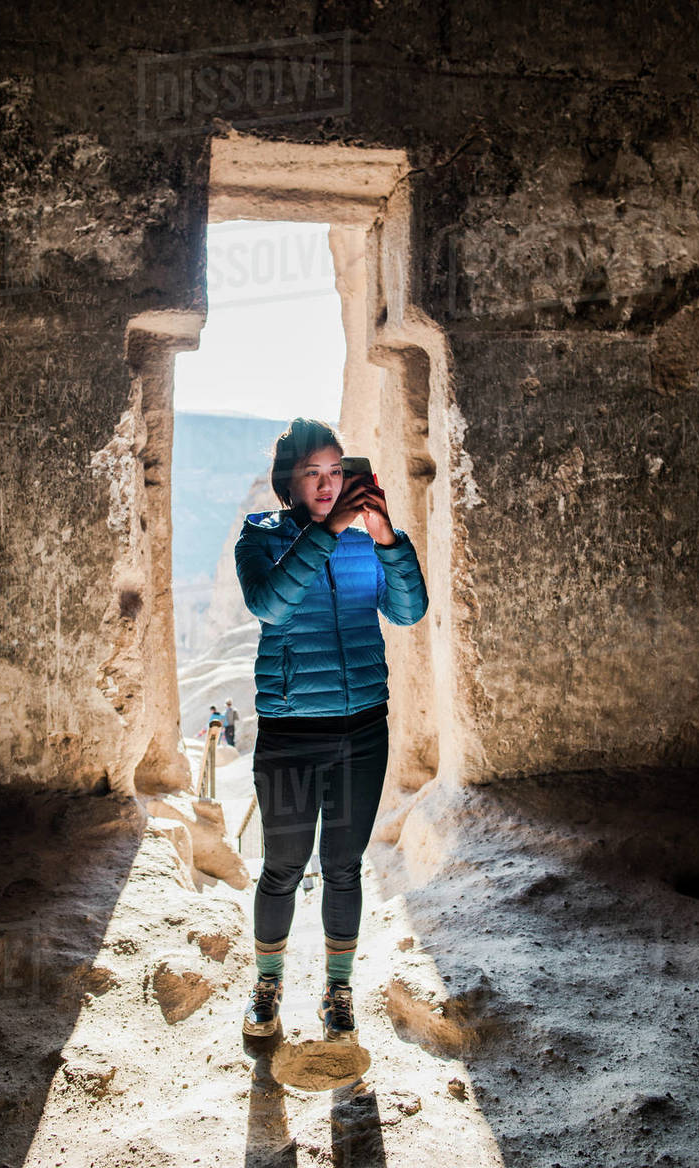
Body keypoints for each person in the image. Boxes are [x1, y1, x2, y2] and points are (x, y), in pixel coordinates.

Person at [234, 417, 428, 1042]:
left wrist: (387, 537)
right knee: (283, 867)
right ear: (289, 483)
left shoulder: (366, 539)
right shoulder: (260, 536)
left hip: (363, 730)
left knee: (344, 867)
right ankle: (267, 987)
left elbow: (408, 611)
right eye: (312, 474)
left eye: (336, 472)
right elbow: (269, 605)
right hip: (291, 733)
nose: (327, 484)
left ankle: (337, 993)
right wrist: (327, 530)